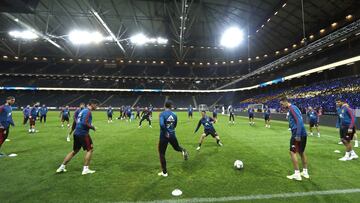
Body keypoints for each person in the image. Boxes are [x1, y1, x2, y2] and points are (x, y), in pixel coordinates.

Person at [56, 99, 99, 175]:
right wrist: (93, 127)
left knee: (74, 151)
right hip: (83, 133)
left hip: (76, 132)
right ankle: (85, 169)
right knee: (90, 150)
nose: (97, 107)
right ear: (92, 104)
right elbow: (84, 122)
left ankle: (62, 167)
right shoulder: (88, 111)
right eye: (96, 105)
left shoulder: (83, 111)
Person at [280, 97, 309, 181]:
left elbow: (299, 120)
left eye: (282, 104)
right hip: (301, 132)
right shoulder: (292, 109)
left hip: (298, 133)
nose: (281, 106)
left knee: (292, 152)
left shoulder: (292, 108)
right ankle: (305, 172)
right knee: (301, 152)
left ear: (286, 102)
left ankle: (297, 174)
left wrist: (298, 134)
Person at [157, 100, 188, 177]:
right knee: (176, 147)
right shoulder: (174, 114)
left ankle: (164, 172)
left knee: (161, 153)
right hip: (172, 134)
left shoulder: (162, 114)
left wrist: (166, 132)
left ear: (164, 106)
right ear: (171, 106)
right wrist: (170, 131)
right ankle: (183, 150)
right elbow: (175, 124)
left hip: (164, 136)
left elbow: (161, 125)